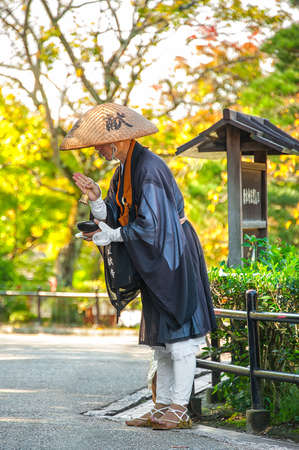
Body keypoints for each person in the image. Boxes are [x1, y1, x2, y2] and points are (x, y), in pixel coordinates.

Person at [60, 103, 217, 430]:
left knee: (180, 333)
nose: (98, 150)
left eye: (101, 144)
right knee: (162, 338)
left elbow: (154, 226)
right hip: (156, 257)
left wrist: (113, 236)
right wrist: (95, 200)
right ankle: (162, 406)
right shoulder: (123, 171)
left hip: (172, 253)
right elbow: (118, 219)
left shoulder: (150, 168)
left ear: (119, 139)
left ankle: (180, 407)